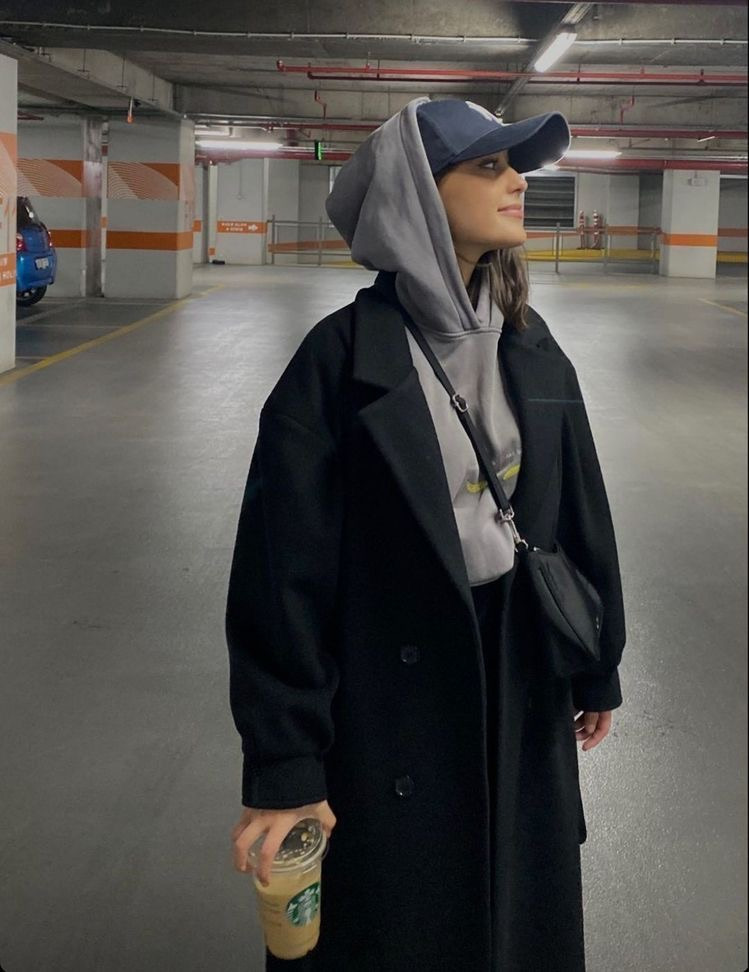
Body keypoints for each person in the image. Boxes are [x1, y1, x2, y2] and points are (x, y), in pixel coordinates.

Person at [225, 97, 627, 972]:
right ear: (414, 194)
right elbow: (281, 580)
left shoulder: (531, 345)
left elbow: (579, 512)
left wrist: (597, 660)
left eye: (512, 165)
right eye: (487, 165)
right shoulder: (336, 365)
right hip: (390, 691)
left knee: (514, 904)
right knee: (407, 915)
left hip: (518, 668)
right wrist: (286, 767)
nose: (516, 182)